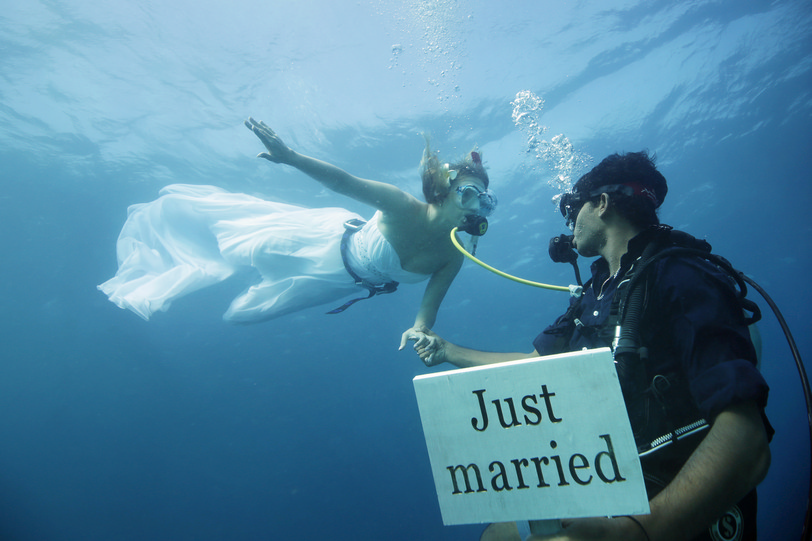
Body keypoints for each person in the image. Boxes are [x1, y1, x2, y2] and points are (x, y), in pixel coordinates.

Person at [408, 151, 772, 541]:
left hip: (672, 489)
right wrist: (447, 351)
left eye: (573, 210)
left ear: (601, 204)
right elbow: (531, 366)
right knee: (499, 534)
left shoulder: (682, 276)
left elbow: (747, 440)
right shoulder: (593, 294)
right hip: (612, 475)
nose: (569, 224)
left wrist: (638, 532)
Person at [98, 118, 496, 346]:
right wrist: (290, 158)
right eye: (467, 193)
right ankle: (182, 266)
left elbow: (428, 311)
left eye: (484, 200)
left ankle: (198, 318)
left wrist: (419, 330)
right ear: (443, 191)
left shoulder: (453, 255)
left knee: (240, 315)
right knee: (234, 242)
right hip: (321, 239)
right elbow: (343, 182)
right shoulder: (401, 205)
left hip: (347, 284)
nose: (476, 206)